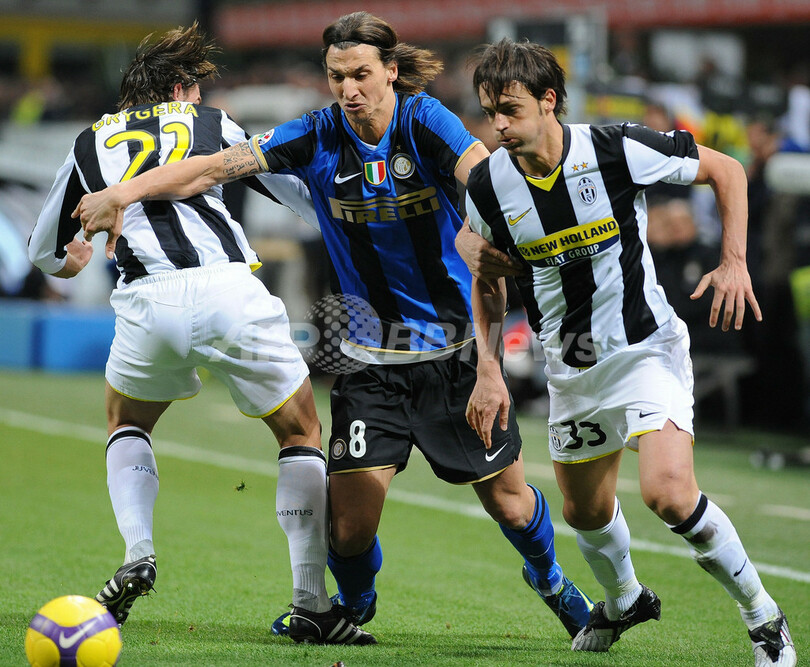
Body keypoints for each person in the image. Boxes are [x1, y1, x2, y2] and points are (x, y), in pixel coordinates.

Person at [73, 12, 593, 643]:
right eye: (337, 76)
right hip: (370, 363)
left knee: (509, 503)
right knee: (347, 529)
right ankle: (354, 604)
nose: (349, 88)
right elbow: (209, 168)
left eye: (361, 74)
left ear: (391, 72)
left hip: (455, 354)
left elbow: (485, 179)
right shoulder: (315, 134)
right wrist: (123, 194)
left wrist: (505, 265)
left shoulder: (425, 121)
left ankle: (551, 579)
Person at [28, 23, 374, 645]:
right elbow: (296, 194)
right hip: (228, 290)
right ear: (180, 90)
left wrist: (69, 262)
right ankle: (310, 600)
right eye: (194, 87)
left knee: (127, 424)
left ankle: (138, 551)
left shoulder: (89, 142)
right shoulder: (212, 123)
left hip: (147, 301)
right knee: (300, 432)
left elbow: (43, 250)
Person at [456, 38, 796, 666]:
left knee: (668, 493)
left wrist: (734, 262)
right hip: (570, 363)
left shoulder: (615, 147)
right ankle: (625, 599)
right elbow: (487, 278)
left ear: (549, 100)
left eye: (510, 109)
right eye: (490, 111)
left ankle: (764, 618)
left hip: (643, 348)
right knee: (584, 512)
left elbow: (727, 170)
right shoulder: (487, 185)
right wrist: (489, 367)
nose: (498, 124)